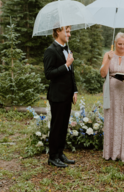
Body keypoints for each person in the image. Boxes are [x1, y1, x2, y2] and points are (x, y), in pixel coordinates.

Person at [100, 32, 124, 162]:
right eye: (120, 44)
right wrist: (109, 59)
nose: (122, 46)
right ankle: (111, 152)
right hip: (111, 92)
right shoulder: (108, 54)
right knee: (111, 118)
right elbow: (102, 73)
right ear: (115, 44)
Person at [43, 25, 77, 168]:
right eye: (67, 31)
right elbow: (48, 74)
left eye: (69, 32)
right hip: (57, 95)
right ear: (58, 31)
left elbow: (71, 73)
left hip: (67, 95)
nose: (69, 34)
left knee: (63, 126)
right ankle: (53, 156)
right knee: (56, 126)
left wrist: (74, 90)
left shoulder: (67, 49)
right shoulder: (50, 51)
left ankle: (60, 153)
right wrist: (66, 64)